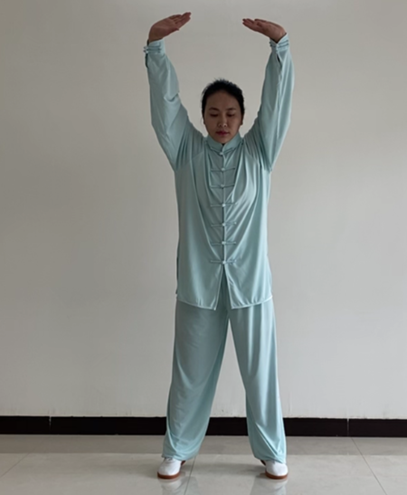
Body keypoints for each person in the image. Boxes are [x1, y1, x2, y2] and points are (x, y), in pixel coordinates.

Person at [143, 12, 295, 481]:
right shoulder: (186, 151)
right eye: (213, 113)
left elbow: (277, 106)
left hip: (251, 285)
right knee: (189, 373)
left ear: (243, 118)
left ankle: (271, 450)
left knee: (261, 374)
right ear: (202, 116)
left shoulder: (259, 151)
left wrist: (280, 49)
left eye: (230, 113)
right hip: (198, 284)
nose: (222, 121)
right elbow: (166, 108)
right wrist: (155, 48)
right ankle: (177, 448)